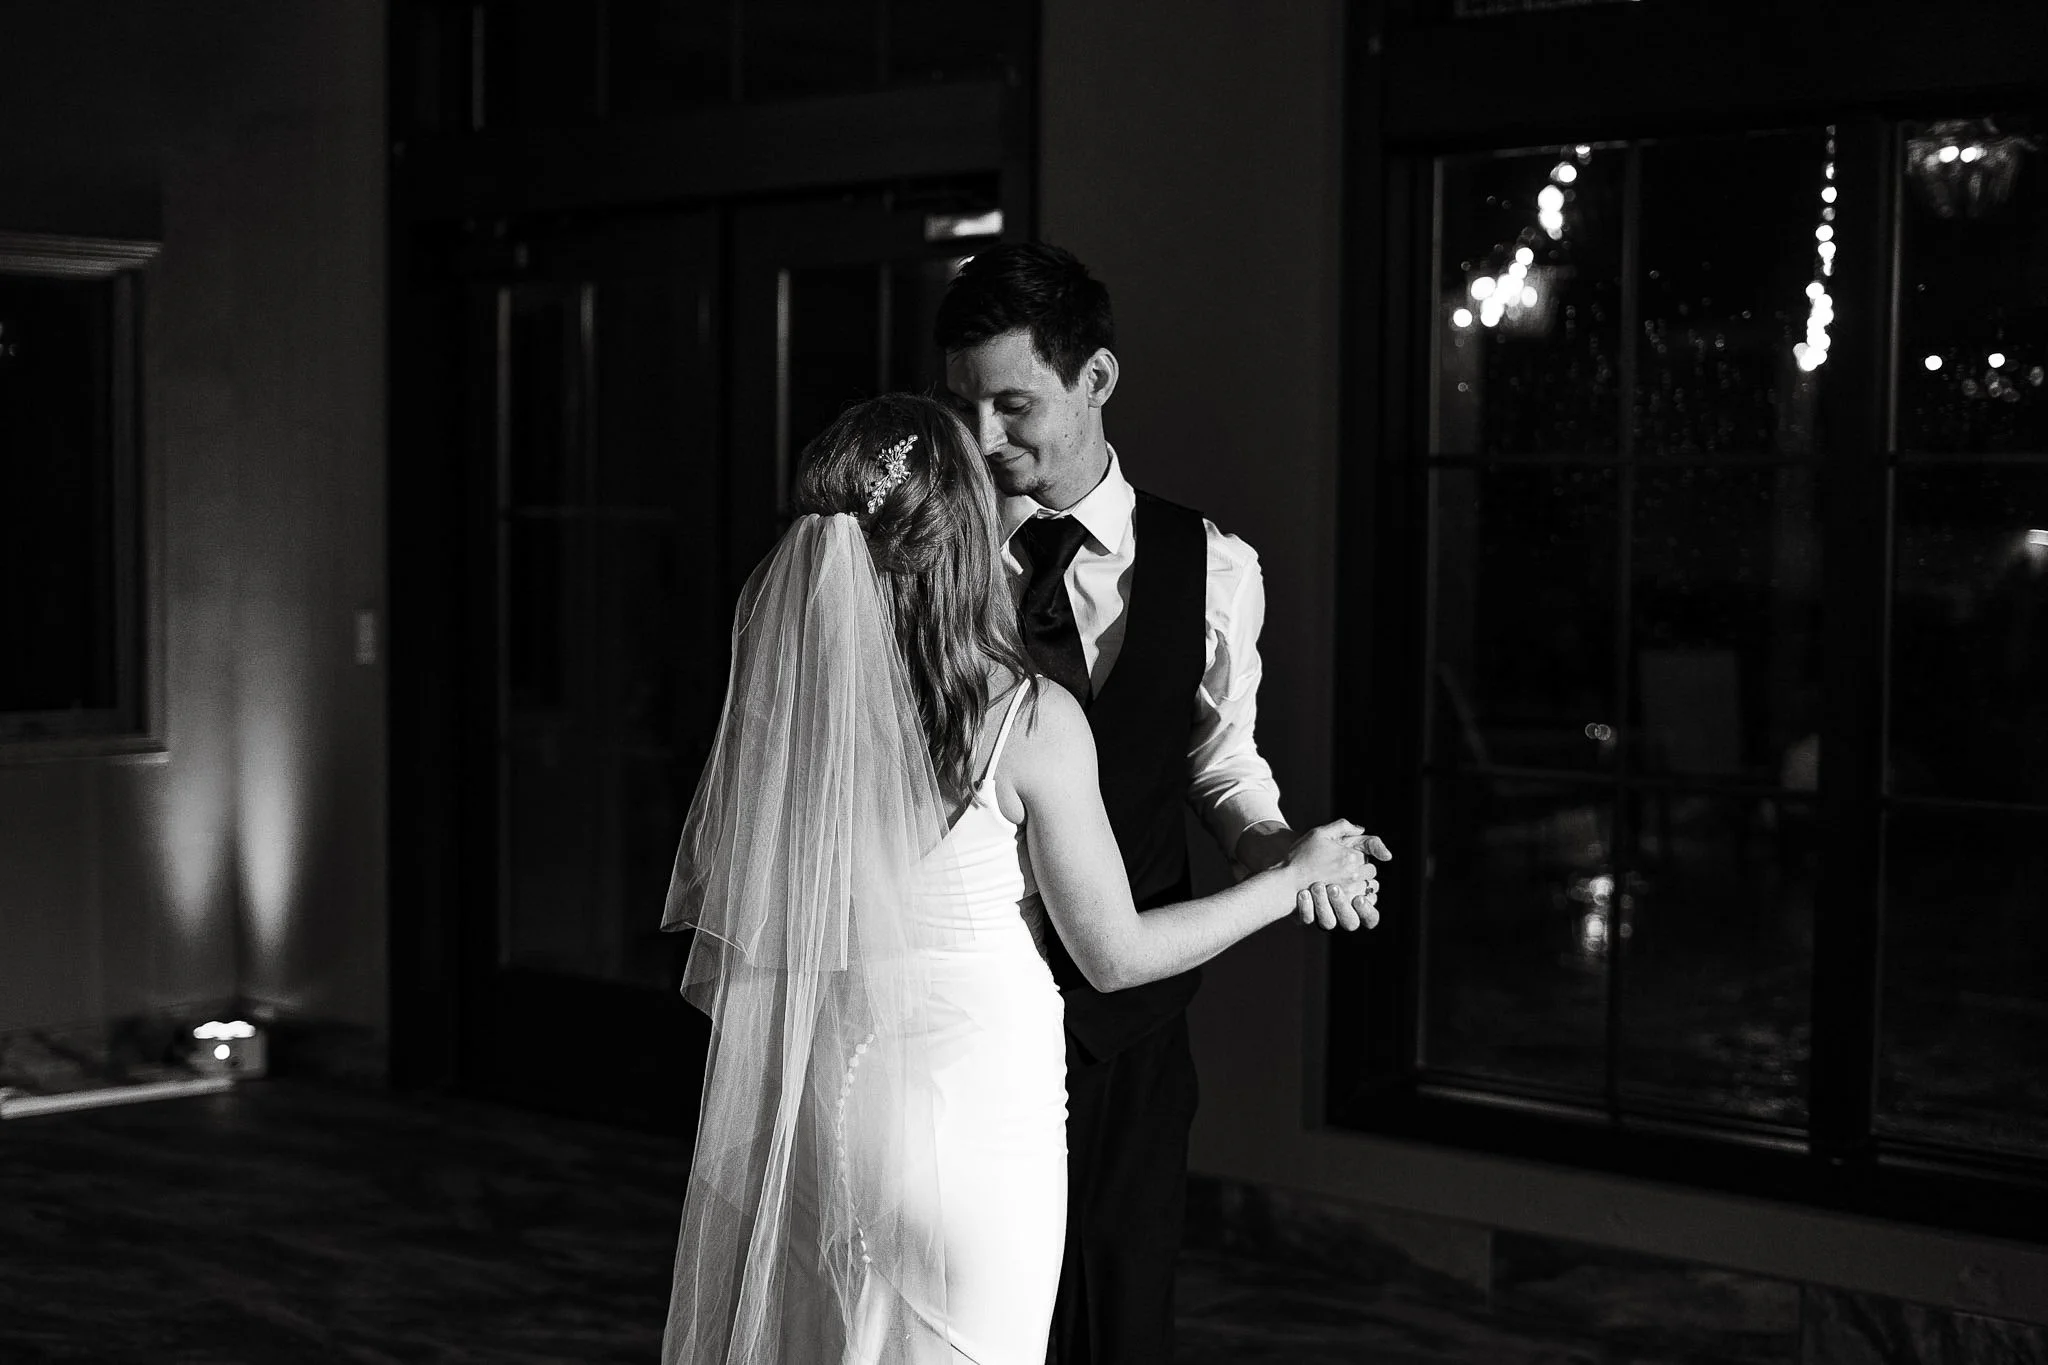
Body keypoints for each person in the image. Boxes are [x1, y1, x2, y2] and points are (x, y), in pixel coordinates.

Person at [659, 391, 1379, 1365]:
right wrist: (1292, 874)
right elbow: (1117, 957)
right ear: (965, 534)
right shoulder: (1026, 718)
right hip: (972, 1120)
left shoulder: (801, 725)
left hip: (838, 1108)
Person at [935, 242, 1389, 1364]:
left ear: (1096, 380)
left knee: (1115, 1310)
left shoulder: (1213, 566)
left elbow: (1216, 761)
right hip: (961, 1013)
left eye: (1013, 404)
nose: (985, 442)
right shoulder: (924, 564)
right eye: (966, 408)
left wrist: (1280, 850)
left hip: (1129, 1024)